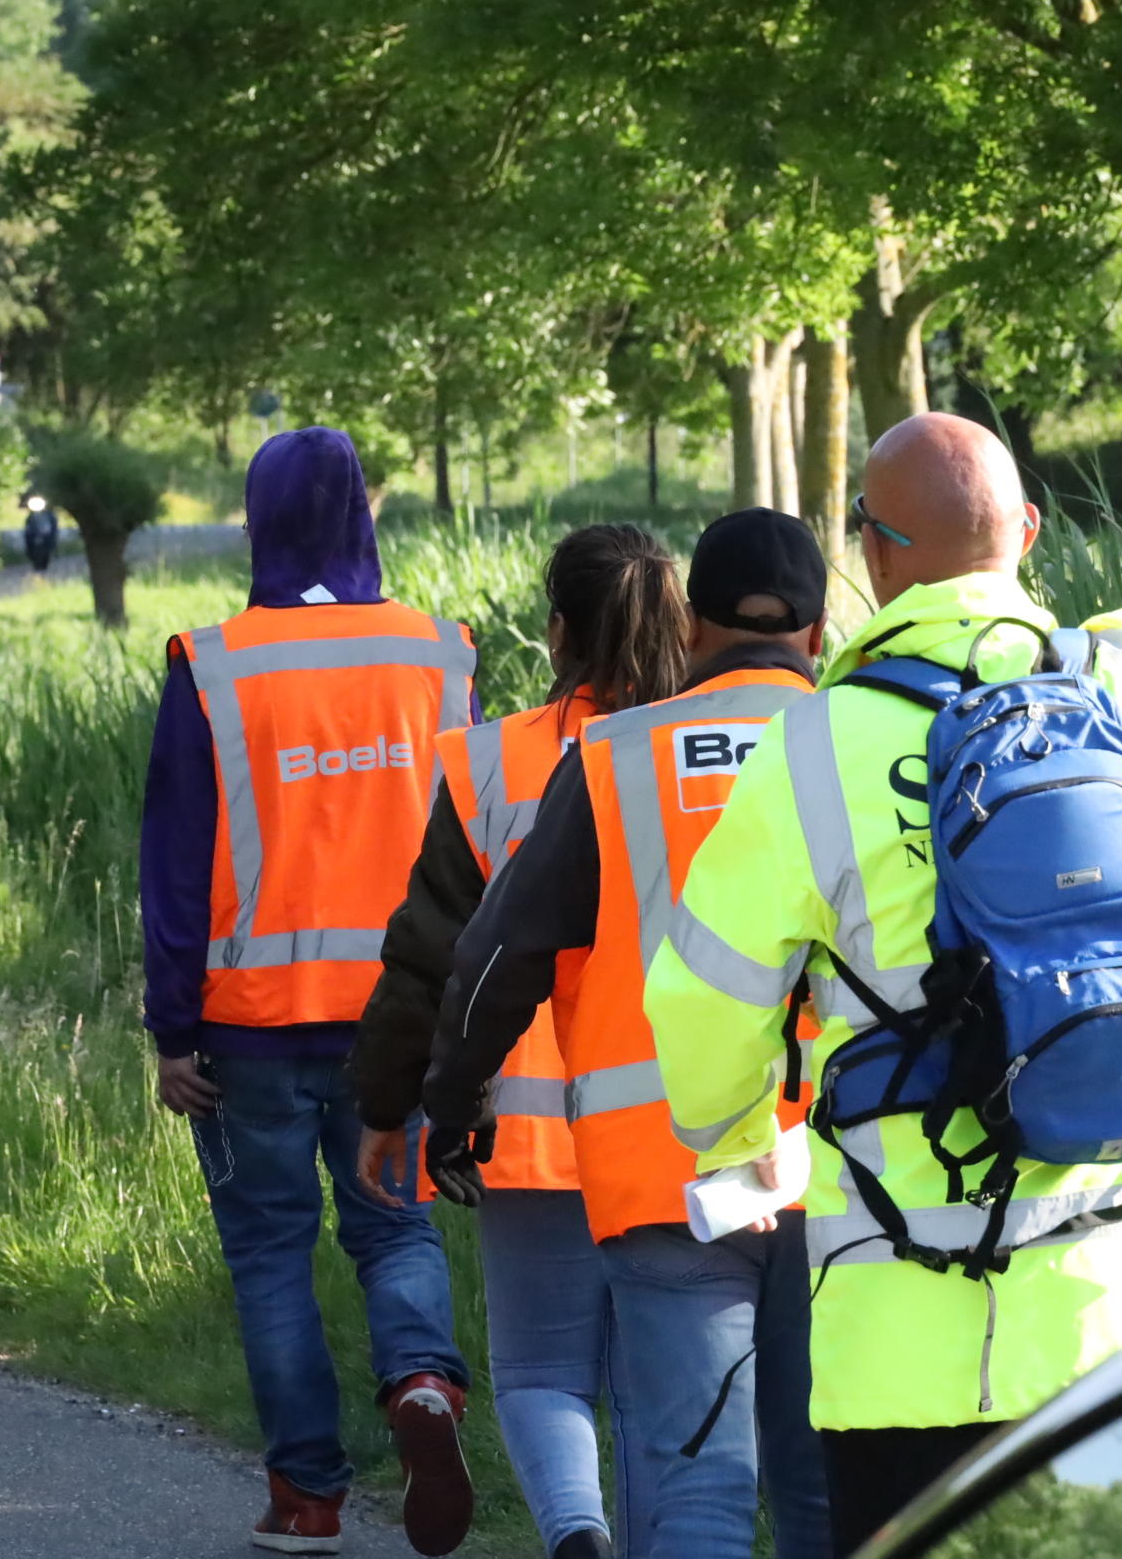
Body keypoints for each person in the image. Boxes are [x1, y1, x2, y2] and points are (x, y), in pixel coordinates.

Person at [645, 393, 1122, 1552]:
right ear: (1031, 533)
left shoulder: (813, 744)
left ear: (872, 553)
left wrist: (740, 1136)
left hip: (904, 1339)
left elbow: (702, 992)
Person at [423, 508, 835, 1559]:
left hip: (667, 1174)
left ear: (695, 627)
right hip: (844, 1173)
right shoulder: (871, 742)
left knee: (696, 1483)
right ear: (821, 634)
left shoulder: (616, 759)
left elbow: (494, 956)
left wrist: (454, 1096)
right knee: (817, 1483)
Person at [142, 426, 477, 1556]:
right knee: (397, 1226)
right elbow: (479, 845)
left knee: (272, 1254)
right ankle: (424, 1380)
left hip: (250, 1032)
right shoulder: (442, 655)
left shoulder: (212, 660)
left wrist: (170, 1027)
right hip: (407, 1019)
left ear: (258, 521)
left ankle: (309, 1498)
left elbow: (178, 862)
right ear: (365, 519)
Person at [351, 524, 690, 1559]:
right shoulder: (705, 748)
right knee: (656, 1394)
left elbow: (427, 954)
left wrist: (384, 1104)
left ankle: (575, 1533)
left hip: (524, 1125)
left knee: (544, 1372)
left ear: (554, 634)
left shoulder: (489, 760)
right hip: (684, 1125)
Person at [24, 497, 60, 573]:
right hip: (33, 534)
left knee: (50, 545)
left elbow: (54, 527)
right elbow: (28, 527)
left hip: (46, 534)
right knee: (29, 544)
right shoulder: (31, 516)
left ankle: (46, 560)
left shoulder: (50, 515)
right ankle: (35, 561)